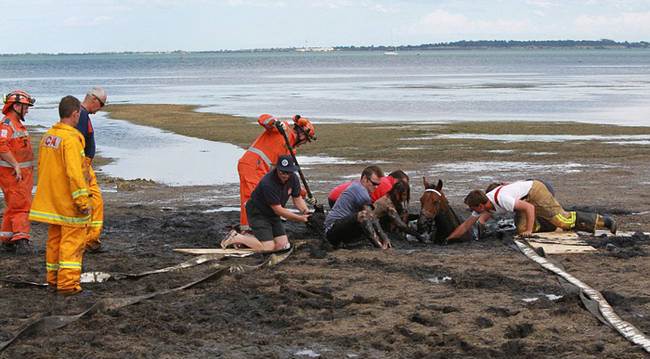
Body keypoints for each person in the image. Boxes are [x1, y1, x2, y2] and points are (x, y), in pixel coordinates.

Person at [29, 96, 90, 295]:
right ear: (75, 114)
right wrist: (83, 201)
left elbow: (42, 167)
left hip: (52, 202)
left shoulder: (48, 137)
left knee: (54, 242)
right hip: (68, 203)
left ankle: (53, 279)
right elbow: (75, 173)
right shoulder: (71, 140)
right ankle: (68, 285)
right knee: (72, 244)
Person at [447, 180, 618, 240]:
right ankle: (546, 224)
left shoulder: (501, 200)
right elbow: (466, 225)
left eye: (472, 208)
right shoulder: (484, 205)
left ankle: (604, 221)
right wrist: (449, 239)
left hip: (535, 191)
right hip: (524, 198)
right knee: (521, 230)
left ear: (480, 206)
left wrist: (530, 230)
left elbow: (528, 207)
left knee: (563, 220)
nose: (472, 211)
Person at [237, 114, 316, 233]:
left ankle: (256, 227)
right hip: (253, 166)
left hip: (261, 170)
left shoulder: (290, 150)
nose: (304, 143)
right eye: (306, 139)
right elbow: (263, 119)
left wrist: (304, 195)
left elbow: (289, 178)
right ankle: (249, 231)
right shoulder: (283, 129)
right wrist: (274, 122)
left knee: (264, 197)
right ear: (301, 134)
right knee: (252, 200)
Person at [223, 155, 310, 252]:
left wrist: (305, 211)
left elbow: (297, 198)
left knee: (283, 246)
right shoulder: (268, 183)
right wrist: (299, 218)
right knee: (268, 248)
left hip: (273, 214)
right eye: (282, 172)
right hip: (258, 212)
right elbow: (278, 209)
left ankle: (248, 237)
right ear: (277, 169)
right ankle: (236, 237)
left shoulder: (293, 178)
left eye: (288, 172)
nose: (285, 175)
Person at [0, 90, 36, 253]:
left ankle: (7, 239)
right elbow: (1, 146)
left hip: (21, 174)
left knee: (13, 207)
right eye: (25, 107)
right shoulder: (7, 124)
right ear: (15, 106)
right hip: (14, 175)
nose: (27, 110)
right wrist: (15, 165)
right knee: (22, 206)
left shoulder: (15, 124)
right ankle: (21, 239)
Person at [324, 166, 392, 249]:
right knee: (363, 215)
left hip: (341, 227)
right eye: (374, 184)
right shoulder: (360, 191)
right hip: (333, 230)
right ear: (364, 179)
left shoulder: (358, 186)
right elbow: (370, 216)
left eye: (378, 184)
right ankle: (379, 246)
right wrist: (383, 238)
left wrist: (383, 236)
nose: (376, 187)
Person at [76, 87, 107, 252]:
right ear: (94, 100)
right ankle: (90, 240)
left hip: (85, 164)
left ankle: (91, 239)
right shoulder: (81, 116)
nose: (100, 109)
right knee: (94, 201)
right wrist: (83, 169)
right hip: (83, 165)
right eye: (101, 104)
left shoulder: (82, 115)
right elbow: (77, 143)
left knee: (94, 201)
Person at [328, 169, 410, 208]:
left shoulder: (381, 180)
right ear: (396, 180)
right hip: (339, 198)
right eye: (404, 184)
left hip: (334, 195)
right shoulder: (387, 186)